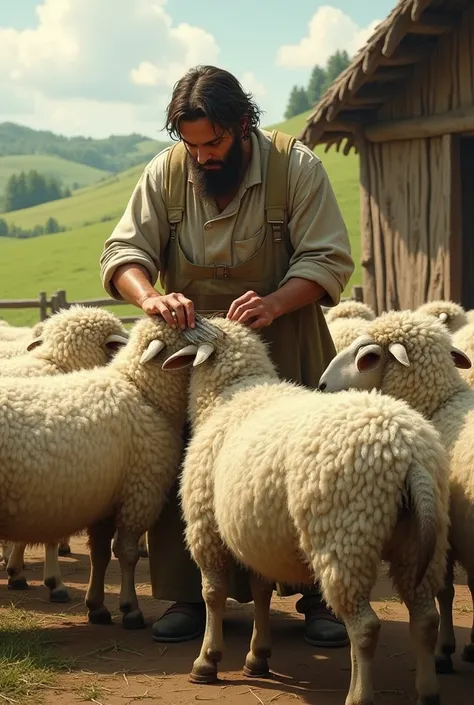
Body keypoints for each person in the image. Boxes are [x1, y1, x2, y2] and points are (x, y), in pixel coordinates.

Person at [99, 65, 355, 648]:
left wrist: (275, 302)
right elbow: (124, 251)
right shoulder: (165, 174)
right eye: (190, 144)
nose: (202, 156)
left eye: (212, 143)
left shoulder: (296, 168)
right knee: (187, 464)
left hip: (283, 337)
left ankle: (322, 597)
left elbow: (328, 258)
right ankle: (189, 595)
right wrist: (152, 296)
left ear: (243, 125)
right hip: (190, 353)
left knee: (300, 466)